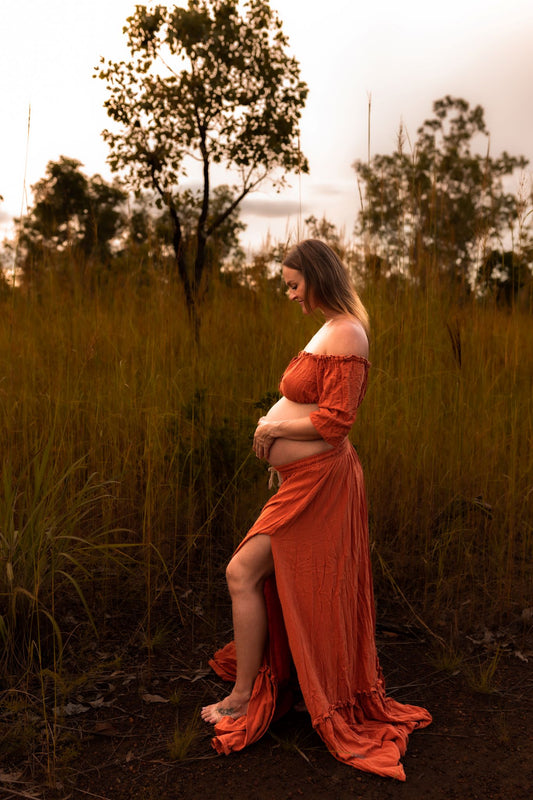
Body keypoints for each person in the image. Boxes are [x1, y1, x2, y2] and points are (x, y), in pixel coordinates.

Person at [201, 239, 431, 780]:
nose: (289, 293)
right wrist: (279, 459)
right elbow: (312, 405)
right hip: (301, 479)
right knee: (284, 583)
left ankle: (242, 697)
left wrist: (274, 428)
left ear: (318, 276)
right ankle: (296, 680)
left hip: (323, 483)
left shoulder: (348, 330)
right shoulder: (329, 328)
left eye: (293, 283)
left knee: (244, 572)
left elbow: (336, 421)